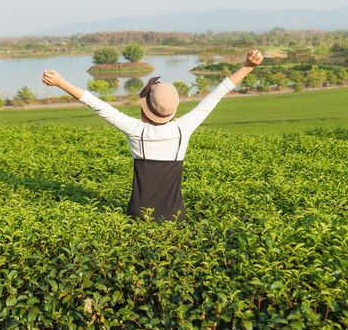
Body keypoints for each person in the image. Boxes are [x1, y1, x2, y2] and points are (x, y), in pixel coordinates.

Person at [42, 49, 263, 222]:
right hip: (175, 217)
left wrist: (61, 83)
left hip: (138, 217)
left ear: (145, 107)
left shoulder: (137, 130)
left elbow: (97, 104)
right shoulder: (182, 130)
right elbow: (217, 94)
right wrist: (248, 66)